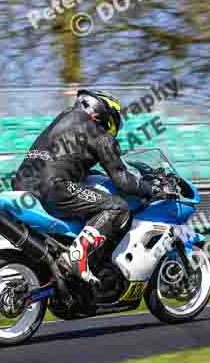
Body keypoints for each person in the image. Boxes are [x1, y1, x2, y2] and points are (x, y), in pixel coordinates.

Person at [12, 89, 171, 286]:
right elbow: (122, 179)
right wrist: (152, 189)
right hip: (54, 187)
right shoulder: (99, 133)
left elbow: (66, 162)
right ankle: (78, 257)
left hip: (21, 186)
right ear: (106, 115)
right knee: (117, 206)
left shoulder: (58, 123)